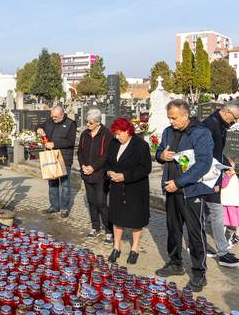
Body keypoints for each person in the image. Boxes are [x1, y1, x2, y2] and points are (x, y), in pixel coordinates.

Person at [155, 99, 214, 292]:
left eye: (174, 118)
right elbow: (158, 152)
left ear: (185, 115)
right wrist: (161, 156)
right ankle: (175, 262)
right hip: (171, 189)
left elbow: (204, 164)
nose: (171, 121)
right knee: (173, 228)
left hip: (191, 191)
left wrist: (179, 182)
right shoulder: (168, 132)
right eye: (169, 118)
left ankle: (199, 273)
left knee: (195, 232)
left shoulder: (201, 133)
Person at [201, 102, 239, 267]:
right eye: (234, 118)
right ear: (227, 113)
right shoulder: (210, 125)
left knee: (208, 213)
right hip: (208, 177)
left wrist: (226, 165)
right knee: (216, 213)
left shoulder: (218, 123)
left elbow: (218, 152)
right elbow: (208, 153)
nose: (234, 122)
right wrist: (216, 177)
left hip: (214, 174)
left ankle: (201, 246)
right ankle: (222, 252)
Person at [106, 117, 152, 264]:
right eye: (116, 134)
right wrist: (109, 172)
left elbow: (145, 168)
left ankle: (135, 249)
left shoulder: (141, 145)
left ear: (128, 131)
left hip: (135, 188)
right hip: (117, 188)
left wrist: (124, 176)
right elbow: (108, 161)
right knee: (117, 217)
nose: (117, 137)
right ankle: (116, 247)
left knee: (136, 220)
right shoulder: (113, 143)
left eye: (120, 134)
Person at [77, 109, 114, 242]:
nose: (88, 125)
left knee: (101, 202)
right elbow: (80, 152)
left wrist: (93, 167)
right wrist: (83, 166)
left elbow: (106, 155)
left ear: (98, 123)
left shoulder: (107, 134)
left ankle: (109, 230)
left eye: (91, 123)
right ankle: (95, 227)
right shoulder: (84, 134)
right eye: (87, 122)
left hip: (100, 175)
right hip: (87, 173)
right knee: (91, 202)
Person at [37, 105, 77, 218]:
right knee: (52, 183)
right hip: (51, 156)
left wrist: (55, 144)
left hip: (64, 158)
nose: (53, 118)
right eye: (52, 116)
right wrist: (38, 129)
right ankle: (54, 206)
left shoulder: (70, 124)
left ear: (62, 115)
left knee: (65, 184)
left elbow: (70, 142)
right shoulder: (50, 120)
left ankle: (64, 208)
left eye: (55, 117)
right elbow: (40, 125)